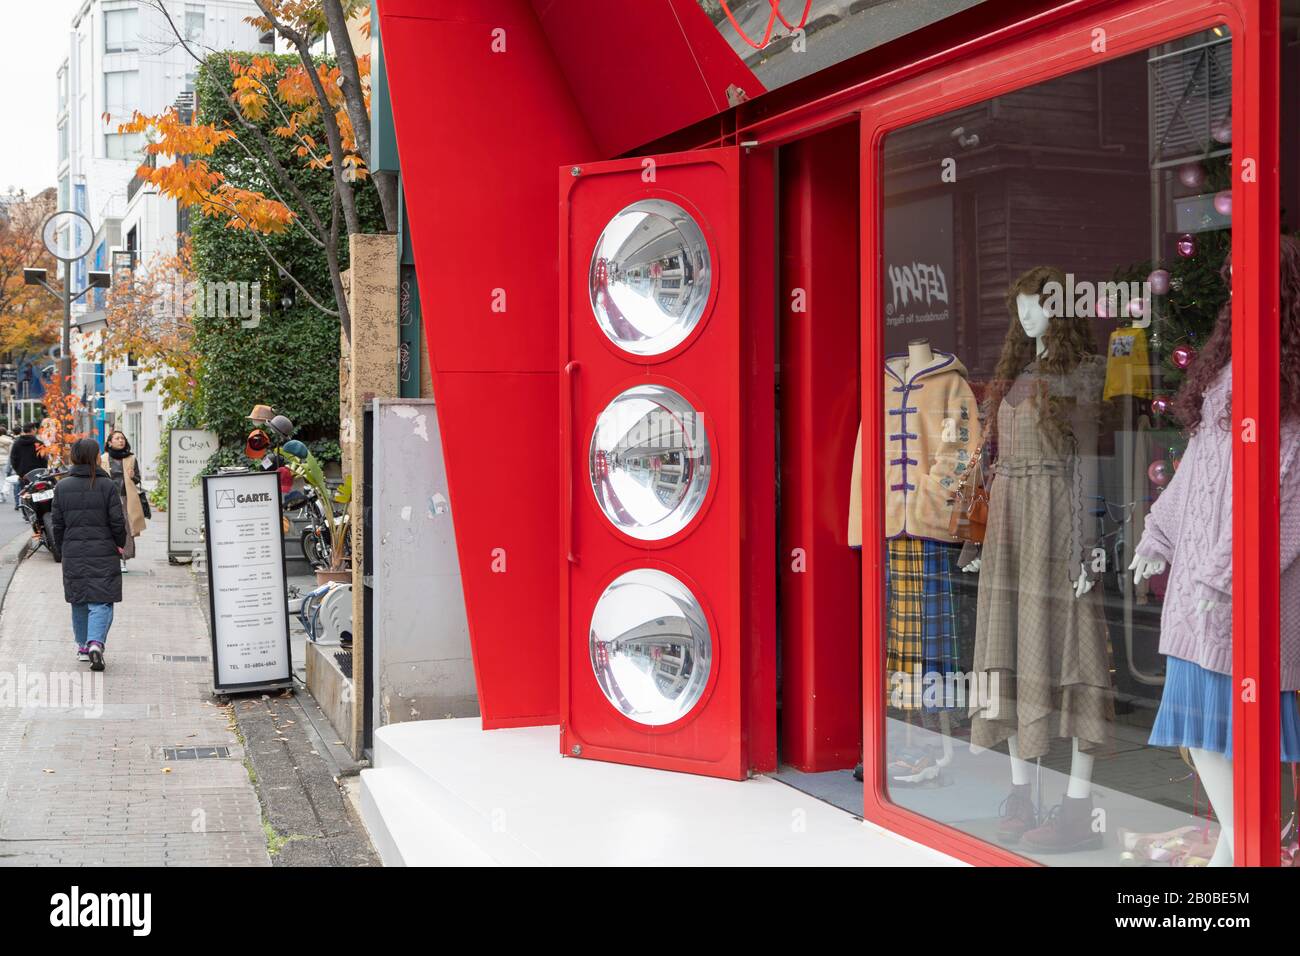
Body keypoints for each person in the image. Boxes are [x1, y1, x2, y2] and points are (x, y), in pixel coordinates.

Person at [51, 438, 126, 672]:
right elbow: (117, 521)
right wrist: (120, 543)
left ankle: (84, 647)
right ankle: (96, 643)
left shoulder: (62, 487)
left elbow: (57, 524)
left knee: (79, 599)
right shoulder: (107, 486)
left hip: (73, 551)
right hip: (103, 550)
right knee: (101, 600)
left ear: (74, 457)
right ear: (95, 458)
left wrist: (63, 550)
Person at [102, 430, 147, 572]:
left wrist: (133, 476)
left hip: (126, 498)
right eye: (117, 438)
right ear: (110, 442)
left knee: (126, 529)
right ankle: (110, 558)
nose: (121, 441)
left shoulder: (131, 459)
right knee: (107, 528)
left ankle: (123, 560)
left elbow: (138, 479)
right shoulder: (103, 459)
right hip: (108, 499)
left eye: (122, 438)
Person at [8, 422, 43, 512]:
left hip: (23, 473)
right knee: (38, 493)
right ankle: (37, 511)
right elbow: (43, 458)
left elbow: (13, 459)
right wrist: (43, 470)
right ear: (32, 430)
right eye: (35, 429)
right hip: (37, 473)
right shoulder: (38, 443)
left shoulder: (17, 443)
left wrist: (19, 472)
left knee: (25, 492)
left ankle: (26, 512)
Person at [0, 427, 11, 503]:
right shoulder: (9, 441)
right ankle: (4, 491)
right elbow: (10, 452)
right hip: (5, 461)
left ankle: (0, 496)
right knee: (6, 478)